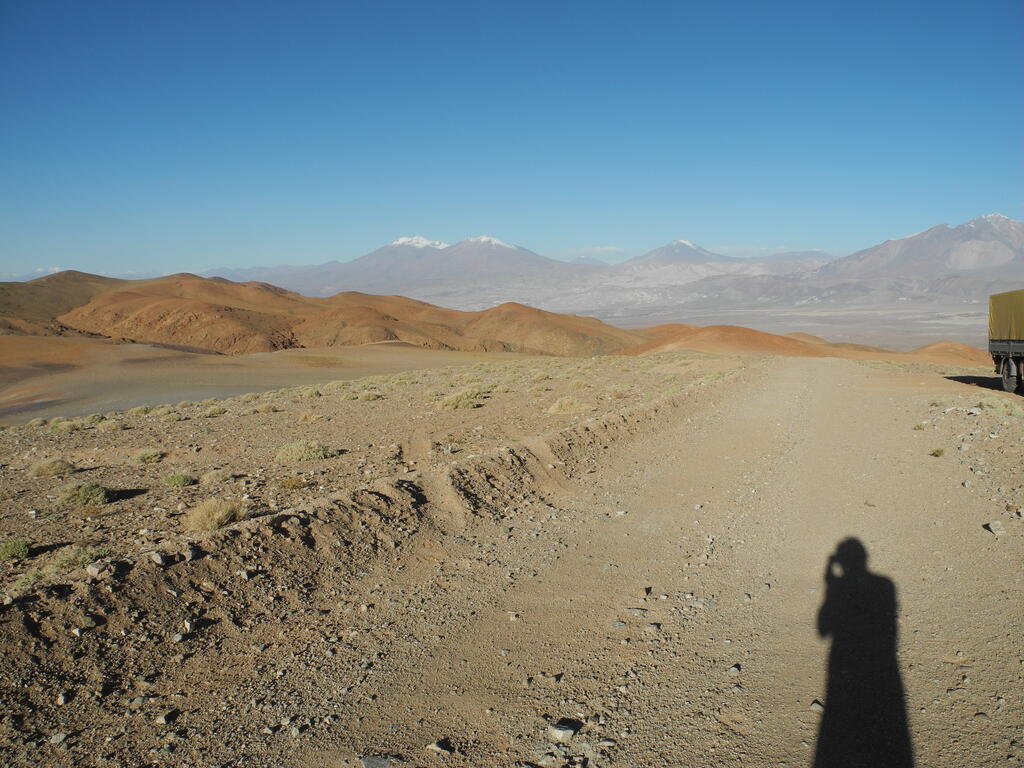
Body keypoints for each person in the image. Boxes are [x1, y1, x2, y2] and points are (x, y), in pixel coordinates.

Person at [814, 537, 914, 768]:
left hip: (842, 666)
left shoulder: (838, 587)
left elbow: (822, 629)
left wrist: (829, 584)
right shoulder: (885, 584)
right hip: (884, 666)